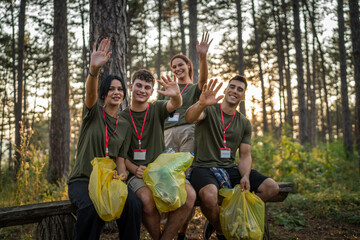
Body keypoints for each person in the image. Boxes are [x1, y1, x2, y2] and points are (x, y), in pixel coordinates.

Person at [185, 76, 280, 240]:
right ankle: (222, 231)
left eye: (240, 89)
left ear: (243, 96)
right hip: (203, 167)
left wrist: (244, 176)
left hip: (229, 168)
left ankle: (230, 216)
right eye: (232, 87)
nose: (235, 91)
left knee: (272, 187)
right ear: (226, 89)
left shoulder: (244, 123)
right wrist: (201, 103)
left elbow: (244, 155)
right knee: (209, 196)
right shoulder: (209, 109)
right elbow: (189, 117)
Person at [67, 38, 142, 240]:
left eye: (120, 89)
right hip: (82, 180)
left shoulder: (125, 124)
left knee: (133, 204)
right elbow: (89, 93)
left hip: (109, 181)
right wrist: (94, 70)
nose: (116, 92)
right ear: (104, 94)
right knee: (91, 209)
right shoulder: (93, 113)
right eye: (111, 89)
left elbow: (120, 158)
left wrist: (123, 176)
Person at [122, 69, 196, 240]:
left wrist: (176, 95)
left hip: (162, 170)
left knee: (190, 196)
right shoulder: (123, 117)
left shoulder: (156, 108)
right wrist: (133, 169)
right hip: (137, 173)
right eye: (139, 85)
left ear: (151, 91)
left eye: (147, 87)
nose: (142, 90)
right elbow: (119, 154)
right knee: (147, 201)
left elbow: (174, 104)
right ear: (131, 86)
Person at [158, 32, 212, 240]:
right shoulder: (168, 88)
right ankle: (166, 225)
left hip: (188, 134)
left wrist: (203, 57)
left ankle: (181, 231)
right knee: (169, 180)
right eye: (174, 67)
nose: (178, 69)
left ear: (188, 66)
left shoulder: (193, 89)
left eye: (181, 65)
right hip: (167, 135)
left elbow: (204, 80)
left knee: (184, 180)